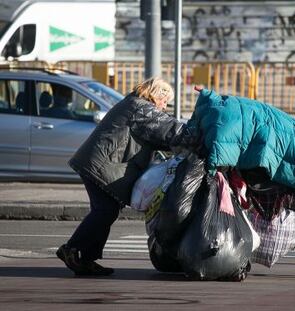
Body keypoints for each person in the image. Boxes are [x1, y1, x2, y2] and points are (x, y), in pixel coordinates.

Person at [56, 77, 197, 276]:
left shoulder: (135, 104)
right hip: (100, 165)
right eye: (165, 100)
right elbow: (169, 129)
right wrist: (197, 133)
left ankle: (85, 258)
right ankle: (72, 249)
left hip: (97, 163)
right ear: (157, 95)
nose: (165, 106)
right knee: (105, 210)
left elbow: (159, 137)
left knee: (105, 210)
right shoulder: (141, 108)